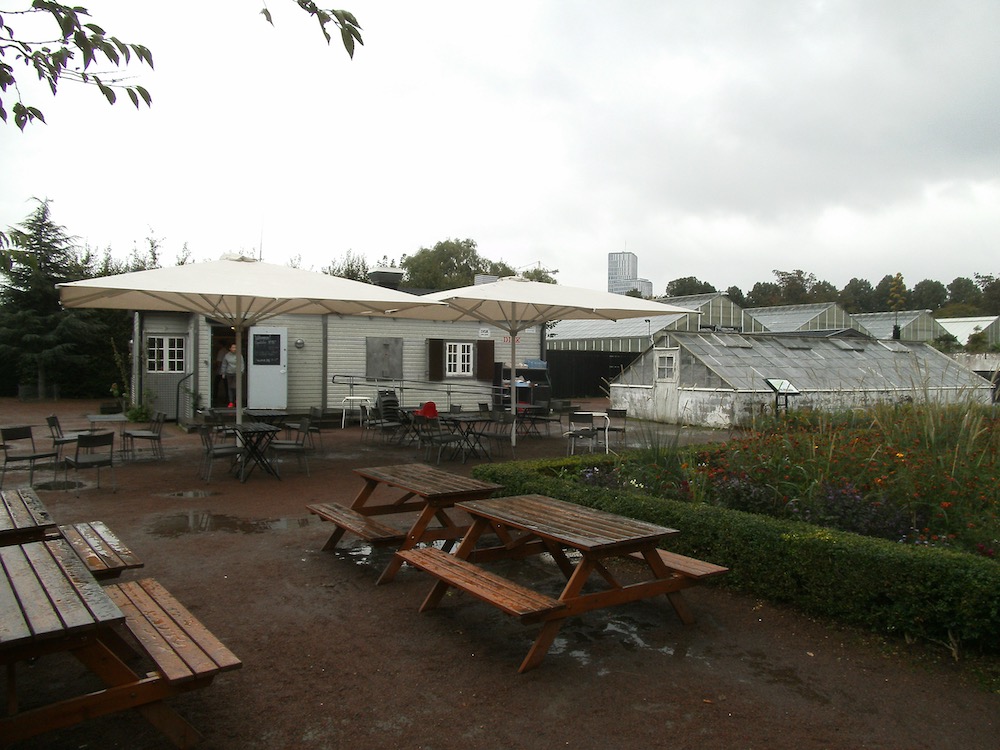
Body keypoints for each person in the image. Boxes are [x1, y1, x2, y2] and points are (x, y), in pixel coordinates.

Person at [221, 343, 244, 407]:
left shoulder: (239, 355)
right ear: (230, 348)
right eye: (233, 347)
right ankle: (231, 401)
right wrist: (223, 373)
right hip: (229, 373)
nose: (234, 349)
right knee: (230, 388)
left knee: (236, 387)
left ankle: (237, 400)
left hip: (237, 373)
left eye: (235, 347)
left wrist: (241, 372)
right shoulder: (227, 356)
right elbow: (224, 365)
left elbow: (242, 364)